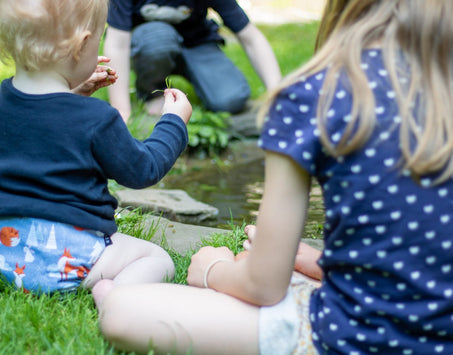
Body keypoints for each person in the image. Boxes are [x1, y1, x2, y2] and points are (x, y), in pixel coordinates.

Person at [94, 1, 453, 354]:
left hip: (349, 335)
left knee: (124, 309)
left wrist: (211, 270)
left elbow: (263, 286)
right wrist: (315, 262)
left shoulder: (317, 96)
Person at [0, 0, 192, 299]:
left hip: (7, 244)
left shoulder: (0, 101)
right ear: (81, 46)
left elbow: (46, 123)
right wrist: (173, 122)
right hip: (73, 260)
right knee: (157, 259)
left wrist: (73, 94)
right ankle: (114, 294)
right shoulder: (96, 118)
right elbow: (144, 169)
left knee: (0, 245)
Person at [104, 0, 282, 122]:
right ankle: (152, 92)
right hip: (150, 45)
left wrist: (278, 93)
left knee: (231, 99)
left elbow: (251, 38)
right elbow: (117, 44)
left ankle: (199, 78)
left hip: (197, 43)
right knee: (158, 38)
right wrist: (121, 110)